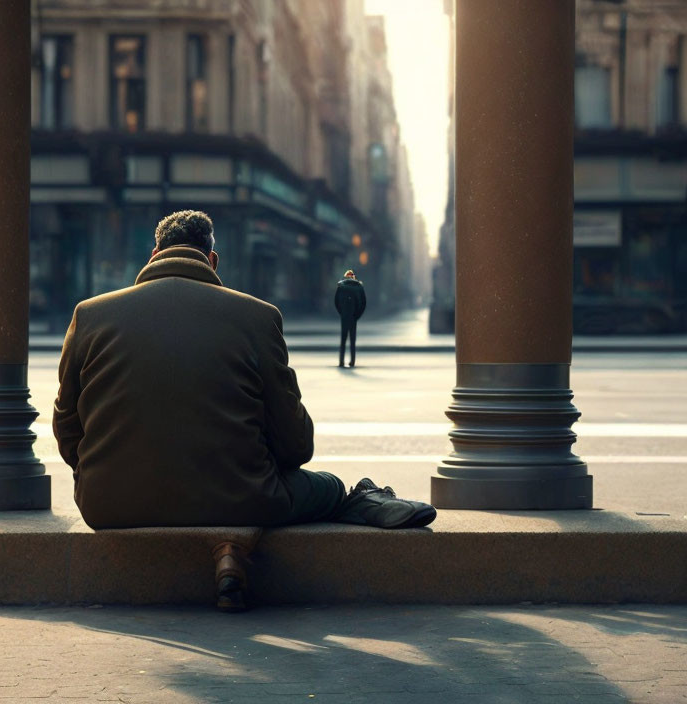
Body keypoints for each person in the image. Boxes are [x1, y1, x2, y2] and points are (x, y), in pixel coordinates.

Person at [53, 211, 435, 610]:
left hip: (108, 503)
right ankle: (237, 542)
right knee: (328, 487)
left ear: (153, 254)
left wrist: (100, 470)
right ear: (212, 260)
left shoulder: (89, 315)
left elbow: (66, 429)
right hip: (242, 497)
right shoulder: (258, 316)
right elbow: (296, 445)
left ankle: (227, 546)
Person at [335, 269, 366, 367]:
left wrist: (342, 313)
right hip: (354, 316)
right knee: (353, 340)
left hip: (344, 316)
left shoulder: (341, 287)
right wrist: (357, 315)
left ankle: (341, 361)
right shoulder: (359, 287)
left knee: (343, 340)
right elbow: (363, 303)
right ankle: (352, 361)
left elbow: (336, 302)